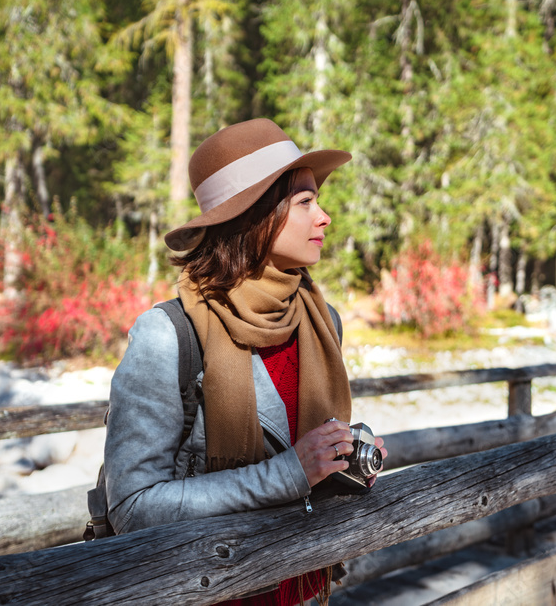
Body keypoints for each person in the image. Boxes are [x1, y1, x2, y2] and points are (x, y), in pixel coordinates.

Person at [103, 118, 386, 605]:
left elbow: (305, 457)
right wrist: (290, 473)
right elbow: (132, 507)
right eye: (305, 202)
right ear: (257, 215)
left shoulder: (321, 321)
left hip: (304, 588)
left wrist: (343, 460)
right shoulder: (169, 335)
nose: (325, 217)